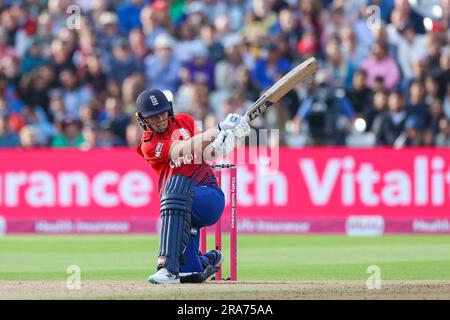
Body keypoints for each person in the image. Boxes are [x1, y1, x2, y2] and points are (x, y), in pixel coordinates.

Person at [135, 88, 250, 284]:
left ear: (169, 109)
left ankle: (167, 269)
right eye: (153, 117)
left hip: (209, 196)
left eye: (163, 112)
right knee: (190, 274)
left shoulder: (185, 121)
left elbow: (207, 154)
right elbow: (182, 148)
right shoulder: (149, 145)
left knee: (176, 192)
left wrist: (226, 140)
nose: (161, 119)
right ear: (142, 120)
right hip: (179, 207)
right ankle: (205, 260)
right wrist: (217, 130)